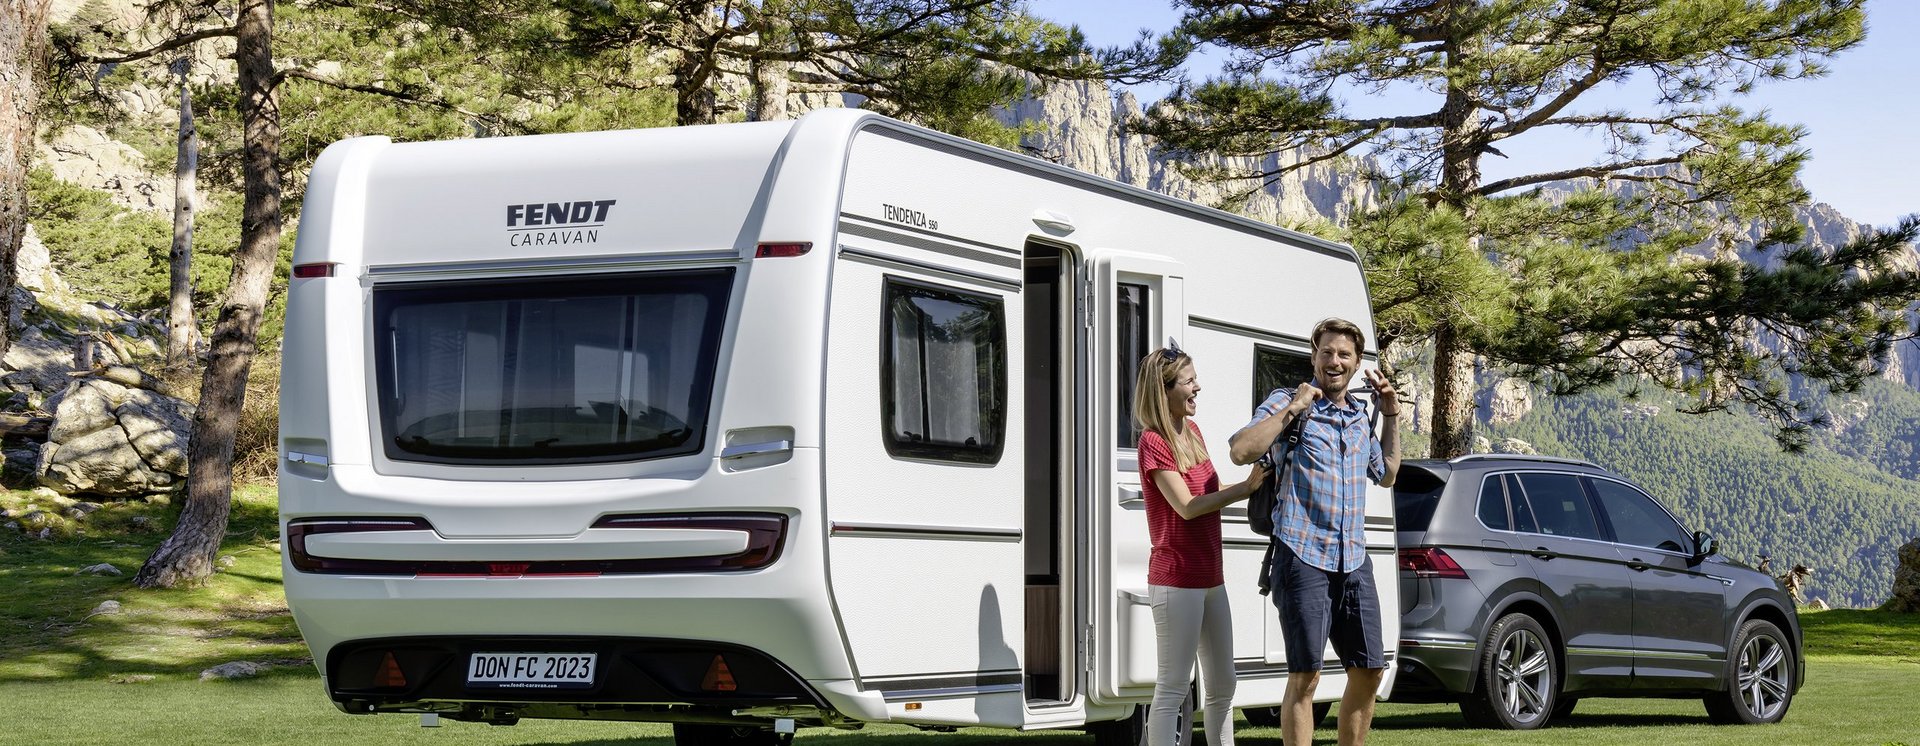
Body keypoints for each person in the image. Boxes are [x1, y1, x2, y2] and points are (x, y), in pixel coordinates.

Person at [1228, 318, 1401, 746]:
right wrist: (1293, 409)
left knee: (1370, 669)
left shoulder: (1360, 417)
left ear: (1357, 362)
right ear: (1313, 356)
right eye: (1326, 352)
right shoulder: (1288, 401)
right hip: (1301, 555)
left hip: (1354, 559)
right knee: (1306, 677)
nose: (1335, 361)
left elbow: (1388, 474)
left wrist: (1392, 414)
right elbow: (1240, 450)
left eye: (1344, 354)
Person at [1133, 340, 1268, 746]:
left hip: (1211, 577)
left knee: (1224, 683)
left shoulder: (1192, 432)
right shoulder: (1153, 442)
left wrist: (1253, 484)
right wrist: (1244, 490)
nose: (1198, 388)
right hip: (1176, 580)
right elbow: (1189, 507)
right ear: (1166, 389)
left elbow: (1210, 492)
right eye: (1189, 382)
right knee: (1174, 688)